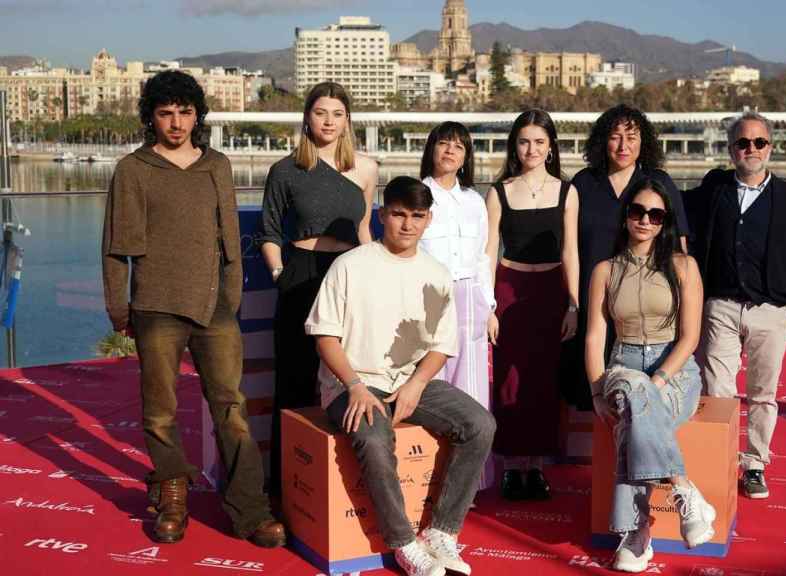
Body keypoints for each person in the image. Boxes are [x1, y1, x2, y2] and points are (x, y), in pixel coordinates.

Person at [101, 70, 285, 546]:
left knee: (232, 409)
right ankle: (173, 498)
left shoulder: (216, 165)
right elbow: (115, 249)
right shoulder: (133, 169)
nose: (176, 122)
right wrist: (118, 308)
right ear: (152, 117)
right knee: (160, 412)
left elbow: (229, 241)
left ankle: (250, 510)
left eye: (185, 112)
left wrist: (231, 299)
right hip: (154, 307)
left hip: (215, 310)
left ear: (197, 115)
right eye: (166, 113)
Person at [306, 176, 495, 576]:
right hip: (351, 383)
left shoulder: (436, 273)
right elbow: (324, 334)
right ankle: (404, 543)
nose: (407, 225)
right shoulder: (351, 265)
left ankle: (442, 531)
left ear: (429, 221)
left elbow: (441, 346)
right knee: (375, 438)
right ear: (381, 216)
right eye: (398, 214)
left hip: (409, 380)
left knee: (480, 424)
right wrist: (354, 385)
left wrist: (416, 385)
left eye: (417, 216)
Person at [687, 111, 786, 500]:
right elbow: (671, 204)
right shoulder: (713, 191)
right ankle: (721, 460)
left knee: (763, 393)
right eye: (743, 143)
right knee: (717, 389)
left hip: (772, 312)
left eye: (759, 142)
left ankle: (756, 463)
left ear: (771, 148)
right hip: (722, 306)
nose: (751, 149)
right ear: (731, 150)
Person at [585, 177, 712, 572]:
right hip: (623, 364)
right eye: (637, 211)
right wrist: (596, 392)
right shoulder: (605, 271)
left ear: (664, 222)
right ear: (625, 217)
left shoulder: (684, 266)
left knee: (632, 424)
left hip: (674, 369)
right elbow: (593, 336)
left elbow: (690, 337)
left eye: (655, 214)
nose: (645, 220)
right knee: (634, 394)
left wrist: (658, 380)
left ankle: (635, 534)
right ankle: (684, 490)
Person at [258, 82, 377, 496]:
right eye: (321, 112)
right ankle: (285, 488)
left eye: (337, 114)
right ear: (307, 118)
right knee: (293, 381)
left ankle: (346, 483)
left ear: (347, 121)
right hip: (301, 275)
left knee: (348, 376)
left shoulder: (366, 168)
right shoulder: (285, 169)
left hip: (350, 277)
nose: (328, 121)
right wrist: (279, 274)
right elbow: (269, 231)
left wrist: (375, 277)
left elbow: (364, 230)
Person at [568, 104, 691, 411]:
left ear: (643, 142)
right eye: (615, 137)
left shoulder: (657, 182)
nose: (623, 146)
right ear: (602, 141)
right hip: (592, 296)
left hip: (642, 302)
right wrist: (571, 303)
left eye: (632, 137)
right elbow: (569, 247)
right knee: (587, 376)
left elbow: (680, 246)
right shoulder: (584, 182)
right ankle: (592, 451)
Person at [484, 109, 579, 501]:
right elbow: (490, 251)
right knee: (509, 379)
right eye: (524, 141)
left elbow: (571, 250)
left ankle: (537, 467)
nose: (532, 149)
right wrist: (488, 304)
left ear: (551, 146)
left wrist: (574, 303)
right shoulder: (499, 191)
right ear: (515, 145)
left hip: (551, 291)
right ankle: (509, 466)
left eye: (540, 142)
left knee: (543, 379)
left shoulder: (567, 191)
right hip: (509, 287)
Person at [418, 122, 494, 408]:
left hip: (470, 298)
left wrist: (489, 306)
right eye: (444, 143)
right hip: (428, 296)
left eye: (459, 146)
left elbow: (482, 258)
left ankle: (476, 450)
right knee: (431, 376)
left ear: (465, 158)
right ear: (431, 149)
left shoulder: (474, 201)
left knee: (471, 382)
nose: (450, 150)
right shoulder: (418, 196)